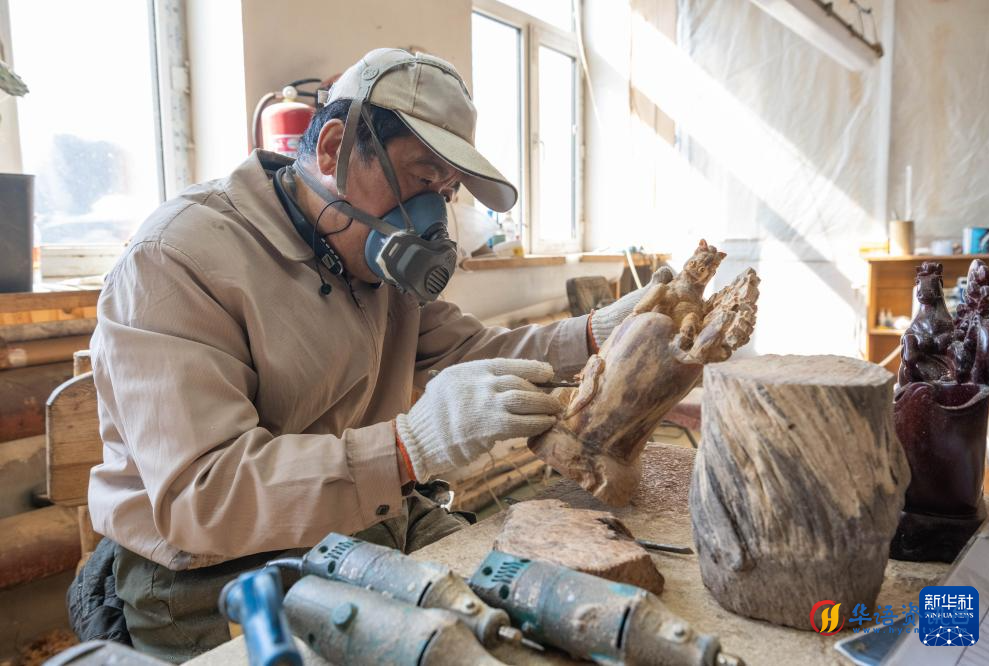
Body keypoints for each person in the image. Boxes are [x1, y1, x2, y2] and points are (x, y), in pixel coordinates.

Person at [80, 48, 663, 661]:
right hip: (217, 571)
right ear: (334, 149)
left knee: (529, 630)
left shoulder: (372, 257)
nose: (432, 216)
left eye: (447, 191)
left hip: (368, 519)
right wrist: (409, 447)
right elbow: (206, 496)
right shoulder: (176, 259)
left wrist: (599, 333)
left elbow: (469, 351)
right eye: (421, 179)